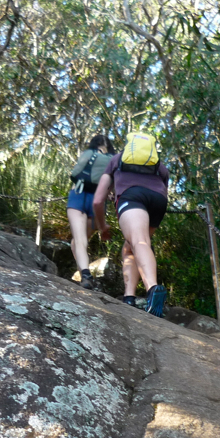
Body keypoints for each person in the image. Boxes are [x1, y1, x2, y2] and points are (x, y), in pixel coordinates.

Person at [92, 131, 169, 317]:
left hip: (132, 198)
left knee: (139, 241)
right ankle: (129, 296)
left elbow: (97, 200)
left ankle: (153, 290)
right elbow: (163, 189)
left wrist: (102, 227)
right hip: (159, 201)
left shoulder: (117, 160)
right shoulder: (159, 166)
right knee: (130, 248)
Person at [66, 134, 116, 289]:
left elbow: (75, 175)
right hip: (96, 203)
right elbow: (111, 187)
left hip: (77, 196)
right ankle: (84, 277)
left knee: (79, 241)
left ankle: (86, 274)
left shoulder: (86, 155)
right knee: (78, 241)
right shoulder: (112, 160)